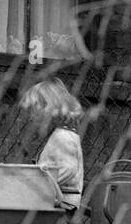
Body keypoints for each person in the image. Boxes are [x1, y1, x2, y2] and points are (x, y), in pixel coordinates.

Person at [18, 78, 84, 212]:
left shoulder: (62, 136)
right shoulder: (60, 134)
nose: (30, 117)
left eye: (33, 111)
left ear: (48, 110)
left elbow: (69, 168)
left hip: (62, 203)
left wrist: (42, 185)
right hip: (56, 200)